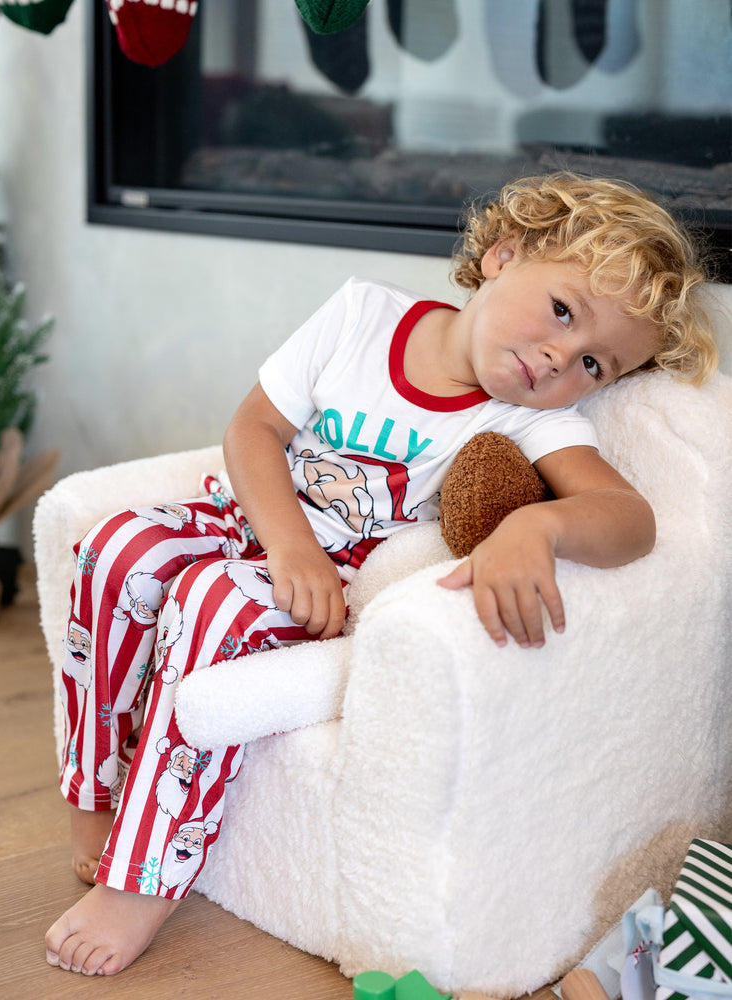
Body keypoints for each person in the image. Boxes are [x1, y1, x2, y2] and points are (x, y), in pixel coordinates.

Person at [44, 172, 718, 976]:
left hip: (333, 577)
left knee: (211, 601)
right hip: (255, 521)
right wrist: (285, 541)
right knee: (114, 545)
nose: (559, 358)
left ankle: (147, 878)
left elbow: (628, 520)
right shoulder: (362, 315)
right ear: (503, 255)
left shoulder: (530, 418)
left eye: (595, 366)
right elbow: (255, 428)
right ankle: (93, 792)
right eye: (563, 312)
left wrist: (539, 522)